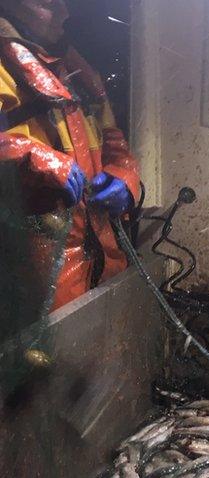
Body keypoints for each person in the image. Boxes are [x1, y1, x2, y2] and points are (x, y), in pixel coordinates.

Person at [0, 0, 141, 311]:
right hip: (32, 272)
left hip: (101, 258)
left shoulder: (76, 69)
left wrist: (124, 180)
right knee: (43, 356)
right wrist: (34, 158)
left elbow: (115, 144)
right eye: (50, 3)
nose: (65, 12)